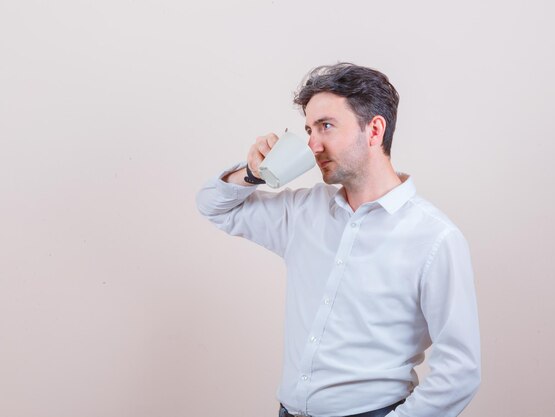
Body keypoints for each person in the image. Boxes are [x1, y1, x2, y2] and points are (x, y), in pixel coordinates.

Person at [196, 63, 481, 417]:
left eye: (326, 126)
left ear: (374, 130)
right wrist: (253, 174)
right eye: (308, 129)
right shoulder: (304, 213)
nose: (313, 145)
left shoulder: (434, 237)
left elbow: (461, 370)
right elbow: (214, 206)